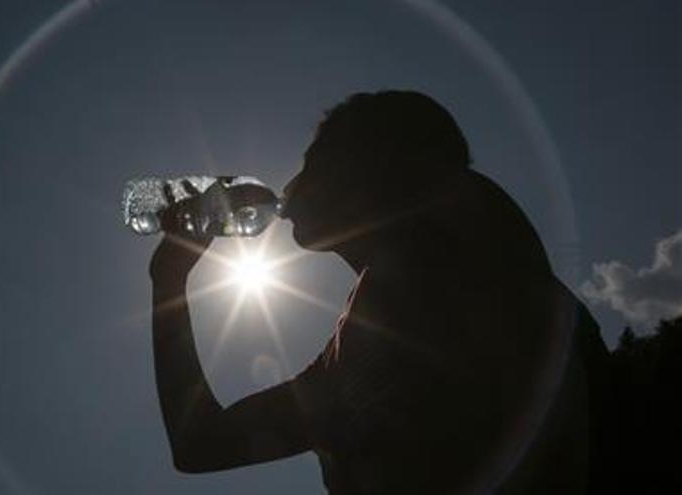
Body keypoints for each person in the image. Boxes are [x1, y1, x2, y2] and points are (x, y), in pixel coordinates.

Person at [148, 90, 612, 494]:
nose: (289, 190)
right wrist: (169, 283)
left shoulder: (491, 269)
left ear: (366, 173)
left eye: (311, 165)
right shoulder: (342, 370)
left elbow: (442, 171)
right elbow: (201, 445)